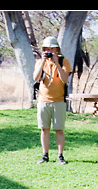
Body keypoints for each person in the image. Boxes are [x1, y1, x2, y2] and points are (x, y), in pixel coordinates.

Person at [33, 36, 72, 165]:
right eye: (46, 49)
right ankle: (45, 155)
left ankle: (60, 155)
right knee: (44, 129)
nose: (49, 51)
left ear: (57, 50)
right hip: (43, 101)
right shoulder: (40, 62)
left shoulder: (64, 61)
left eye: (51, 49)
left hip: (58, 101)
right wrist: (43, 62)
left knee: (59, 129)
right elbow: (36, 77)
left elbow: (64, 79)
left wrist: (57, 63)